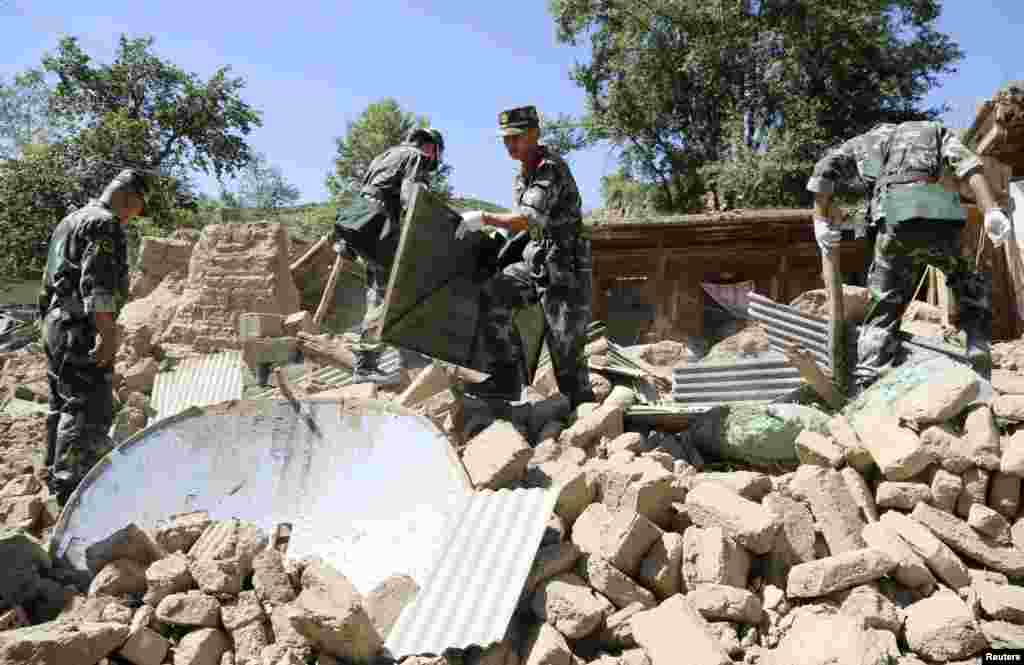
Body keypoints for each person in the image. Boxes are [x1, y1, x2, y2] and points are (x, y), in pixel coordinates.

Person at [807, 120, 1011, 390]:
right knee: (968, 283)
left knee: (884, 303)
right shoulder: (933, 130)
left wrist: (820, 219)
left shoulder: (864, 140)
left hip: (894, 218)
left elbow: (826, 166)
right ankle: (977, 345)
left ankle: (870, 377)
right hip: (941, 216)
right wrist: (990, 210)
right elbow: (969, 166)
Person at [458, 105, 596, 409]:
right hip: (537, 260)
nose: (510, 144)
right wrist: (500, 240)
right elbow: (526, 226)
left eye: (516, 137)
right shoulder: (523, 174)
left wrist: (484, 218)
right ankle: (505, 379)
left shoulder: (550, 168)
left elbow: (527, 218)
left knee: (565, 347)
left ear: (535, 134)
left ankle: (585, 412)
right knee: (493, 294)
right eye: (505, 139)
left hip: (566, 266)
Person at [39, 168, 148, 505]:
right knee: (88, 407)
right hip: (80, 328)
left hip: (56, 325)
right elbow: (98, 283)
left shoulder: (69, 221)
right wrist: (107, 332)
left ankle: (54, 476)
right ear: (127, 198)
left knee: (62, 402)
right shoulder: (104, 223)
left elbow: (49, 282)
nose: (132, 218)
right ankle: (74, 494)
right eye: (136, 209)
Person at [333, 127, 445, 384]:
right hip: (379, 227)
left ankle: (375, 364)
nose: (432, 160)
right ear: (431, 147)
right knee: (398, 290)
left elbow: (365, 193)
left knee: (379, 291)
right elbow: (411, 196)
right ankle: (394, 362)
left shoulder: (384, 156)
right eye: (435, 154)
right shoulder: (415, 156)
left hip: (361, 227)